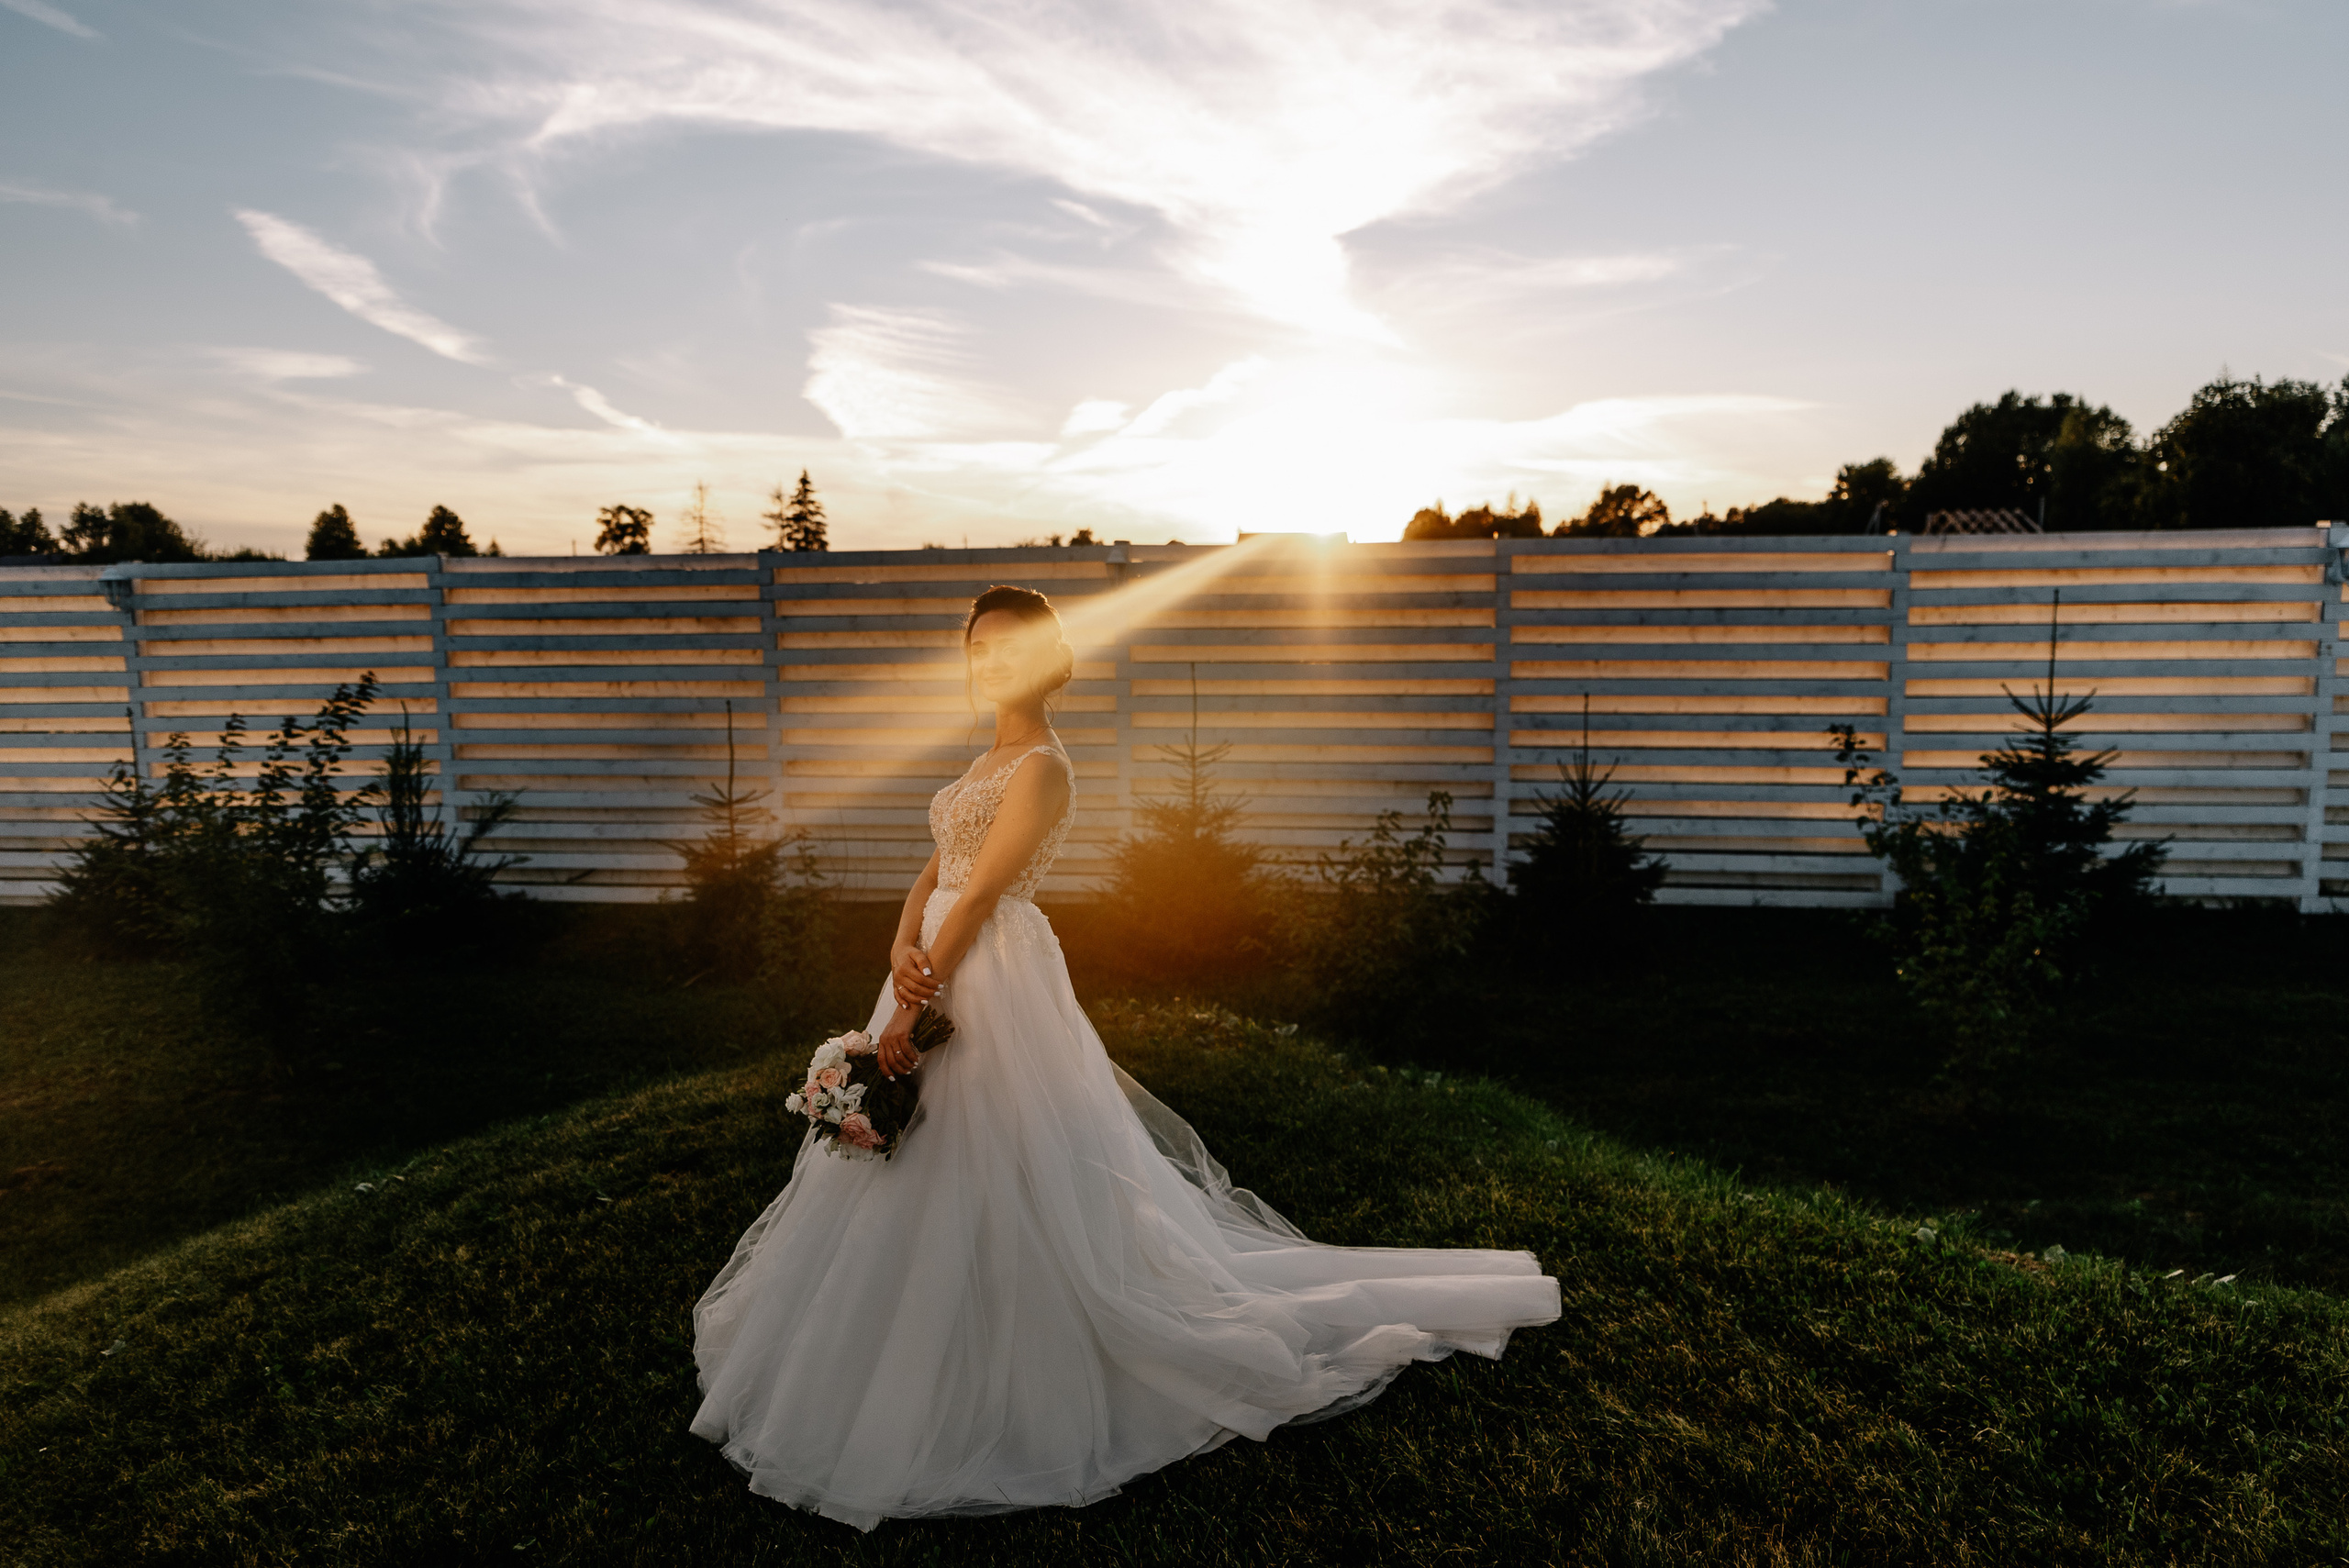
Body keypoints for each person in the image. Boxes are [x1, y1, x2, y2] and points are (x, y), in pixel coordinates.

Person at [689, 584, 1561, 1530]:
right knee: (919, 1147)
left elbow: (981, 894)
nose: (991, 663)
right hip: (934, 962)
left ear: (1046, 656)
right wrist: (899, 944)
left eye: (1010, 648)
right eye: (979, 648)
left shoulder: (1043, 767)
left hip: (986, 972)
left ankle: (1018, 1342)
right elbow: (935, 869)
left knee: (991, 1141)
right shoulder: (983, 756)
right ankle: (905, 1333)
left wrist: (917, 994)